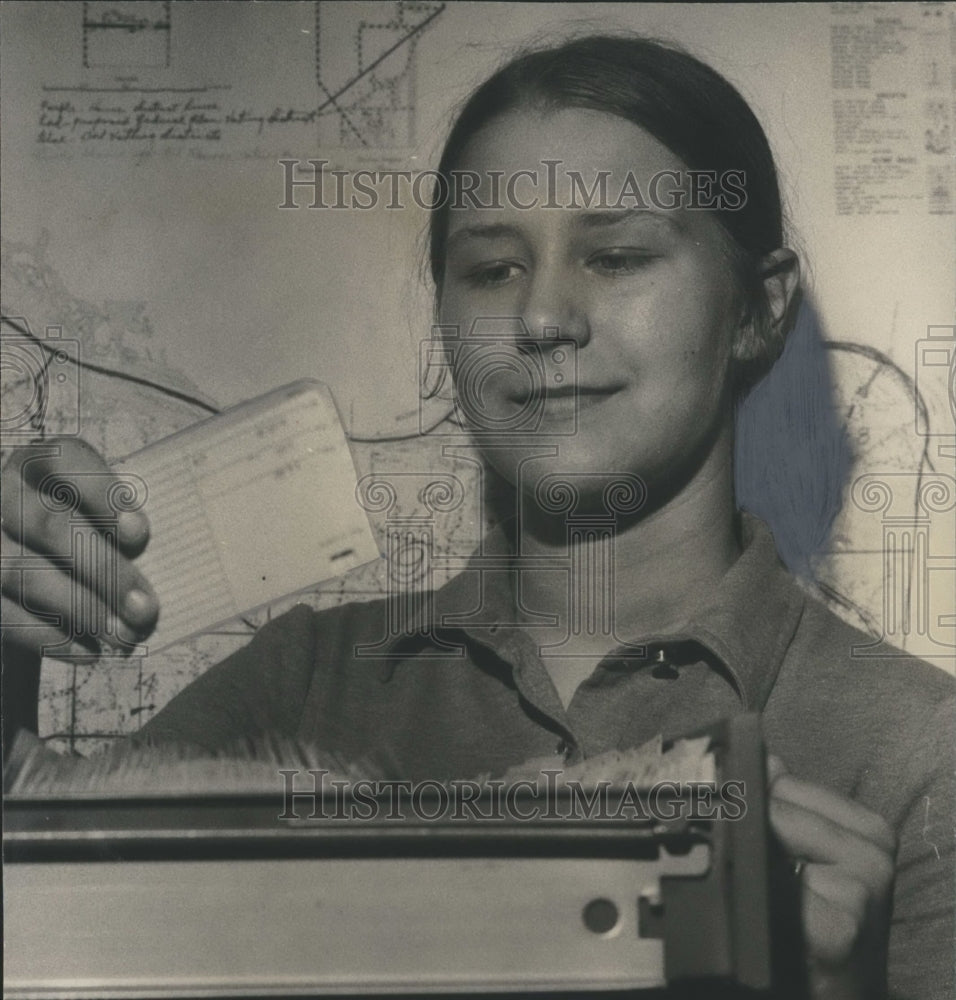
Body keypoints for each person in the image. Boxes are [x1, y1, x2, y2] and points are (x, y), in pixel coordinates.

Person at [1, 34, 951, 1000]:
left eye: (617, 256)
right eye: (492, 270)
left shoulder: (921, 753)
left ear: (759, 308)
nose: (542, 319)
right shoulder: (304, 684)